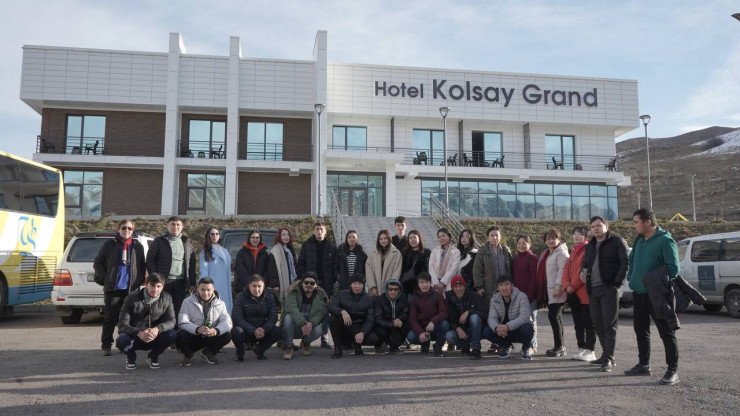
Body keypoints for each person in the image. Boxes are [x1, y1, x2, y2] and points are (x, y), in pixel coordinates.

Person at [625, 209, 681, 385]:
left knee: (666, 332)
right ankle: (643, 365)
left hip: (657, 294)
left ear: (648, 221)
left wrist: (651, 279)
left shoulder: (665, 240)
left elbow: (673, 269)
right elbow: (632, 259)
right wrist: (631, 276)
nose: (634, 226)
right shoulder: (640, 240)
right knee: (641, 331)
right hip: (639, 294)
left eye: (636, 222)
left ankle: (672, 370)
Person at [581, 216, 629, 372]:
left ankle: (609, 358)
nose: (596, 228)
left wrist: (617, 283)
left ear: (606, 227)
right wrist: (583, 272)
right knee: (598, 324)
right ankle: (605, 354)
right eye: (593, 226)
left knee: (609, 325)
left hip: (609, 288)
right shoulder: (590, 245)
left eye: (599, 225)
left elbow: (625, 262)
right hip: (593, 289)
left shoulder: (616, 241)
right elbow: (585, 264)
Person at [93, 219, 146, 357]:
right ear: (118, 229)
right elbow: (98, 262)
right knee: (110, 318)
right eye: (123, 228)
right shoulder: (110, 245)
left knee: (129, 319)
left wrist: (139, 280)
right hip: (113, 289)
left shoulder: (137, 246)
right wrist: (105, 278)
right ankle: (106, 345)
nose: (126, 230)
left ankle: (125, 344)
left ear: (133, 231)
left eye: (129, 228)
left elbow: (142, 265)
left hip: (131, 290)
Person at [116, 273, 177, 370]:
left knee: (172, 334)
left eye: (158, 286)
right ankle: (131, 357)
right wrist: (138, 333)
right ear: (146, 284)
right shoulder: (131, 298)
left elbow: (171, 321)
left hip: (154, 336)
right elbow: (122, 324)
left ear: (163, 287)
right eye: (152, 285)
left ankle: (153, 356)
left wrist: (157, 329)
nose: (155, 289)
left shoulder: (167, 298)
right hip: (135, 337)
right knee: (121, 340)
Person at [145, 216, 196, 318]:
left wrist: (192, 283)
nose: (175, 227)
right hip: (164, 281)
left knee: (178, 309)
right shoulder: (159, 241)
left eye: (178, 224)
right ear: (167, 226)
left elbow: (192, 263)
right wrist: (155, 277)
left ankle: (175, 328)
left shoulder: (186, 242)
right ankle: (160, 327)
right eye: (172, 224)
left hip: (181, 282)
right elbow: (150, 259)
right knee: (161, 309)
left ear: (182, 227)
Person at [297, 222, 338, 348]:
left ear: (325, 231)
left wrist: (333, 279)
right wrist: (305, 279)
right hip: (310, 284)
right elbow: (301, 263)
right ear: (313, 231)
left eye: (321, 229)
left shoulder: (331, 246)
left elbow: (335, 266)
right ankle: (306, 338)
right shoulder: (307, 245)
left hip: (325, 283)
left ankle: (324, 339)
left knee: (325, 311)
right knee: (308, 310)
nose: (319, 231)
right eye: (317, 229)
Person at [177, 277, 233, 366]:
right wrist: (197, 329)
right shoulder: (187, 302)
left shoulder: (221, 304)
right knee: (181, 334)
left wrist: (216, 330)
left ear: (213, 289)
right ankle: (188, 355)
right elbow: (182, 322)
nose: (205, 293)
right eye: (202, 290)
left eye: (208, 290)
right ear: (198, 288)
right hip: (194, 335)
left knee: (227, 335)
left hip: (210, 335)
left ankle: (208, 352)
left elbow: (227, 323)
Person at [562, 226, 596, 362]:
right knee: (578, 324)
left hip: (584, 294)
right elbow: (566, 270)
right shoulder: (574, 250)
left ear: (586, 237)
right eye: (575, 233)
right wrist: (566, 285)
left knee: (589, 324)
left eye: (580, 234)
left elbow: (583, 271)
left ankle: (590, 350)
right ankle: (581, 347)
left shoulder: (588, 249)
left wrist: (572, 286)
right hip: (574, 294)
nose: (576, 236)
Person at [231, 274, 282, 361]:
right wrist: (253, 330)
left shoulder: (269, 297)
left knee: (278, 331)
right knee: (236, 331)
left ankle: (259, 349)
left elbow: (273, 316)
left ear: (264, 286)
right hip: (246, 330)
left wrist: (264, 329)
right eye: (254, 286)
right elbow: (237, 318)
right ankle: (240, 352)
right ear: (249, 286)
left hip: (262, 330)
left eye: (259, 286)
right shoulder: (240, 297)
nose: (257, 289)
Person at [482, 276, 534, 360]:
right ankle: (506, 345)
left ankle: (526, 348)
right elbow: (492, 318)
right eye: (501, 285)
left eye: (507, 284)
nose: (504, 288)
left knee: (528, 327)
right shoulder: (494, 299)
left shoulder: (522, 296)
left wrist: (507, 326)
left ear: (512, 285)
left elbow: (524, 317)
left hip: (517, 330)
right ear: (498, 288)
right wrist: (497, 328)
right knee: (486, 331)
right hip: (503, 332)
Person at [328, 274, 378, 358]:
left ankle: (356, 344)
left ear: (363, 285)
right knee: (333, 318)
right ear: (351, 284)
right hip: (346, 325)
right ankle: (338, 348)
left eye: (359, 284)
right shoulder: (342, 294)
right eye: (354, 283)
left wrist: (363, 332)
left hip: (359, 326)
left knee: (373, 338)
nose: (357, 286)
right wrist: (342, 311)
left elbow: (370, 319)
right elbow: (331, 307)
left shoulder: (369, 299)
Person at [281, 272, 329, 360]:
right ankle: (289, 347)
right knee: (288, 318)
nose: (309, 285)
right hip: (294, 327)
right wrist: (303, 323)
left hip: (309, 327)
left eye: (312, 283)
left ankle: (305, 343)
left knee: (320, 329)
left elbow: (321, 313)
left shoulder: (321, 295)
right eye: (306, 282)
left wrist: (311, 323)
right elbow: (291, 308)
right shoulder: (293, 292)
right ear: (302, 283)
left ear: (316, 285)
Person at [511, 234, 543, 354]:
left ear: (529, 244)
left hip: (529, 297)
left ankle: (532, 346)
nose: (521, 246)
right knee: (519, 321)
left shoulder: (532, 258)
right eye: (519, 243)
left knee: (531, 321)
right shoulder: (515, 258)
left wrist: (529, 296)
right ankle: (524, 345)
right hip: (516, 296)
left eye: (524, 243)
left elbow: (534, 279)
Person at [540, 228, 569, 358]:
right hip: (551, 289)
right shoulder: (550, 253)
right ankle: (560, 346)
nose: (551, 241)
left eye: (553, 238)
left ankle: (559, 346)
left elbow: (563, 271)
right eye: (548, 239)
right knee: (557, 317)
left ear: (559, 239)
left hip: (557, 290)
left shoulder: (561, 252)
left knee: (554, 317)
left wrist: (558, 286)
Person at [444, 275, 488, 360]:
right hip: (460, 330)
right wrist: (458, 328)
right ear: (452, 288)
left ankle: (476, 349)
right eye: (456, 287)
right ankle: (465, 346)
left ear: (464, 286)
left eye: (461, 286)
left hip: (474, 329)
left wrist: (469, 312)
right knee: (449, 335)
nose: (459, 289)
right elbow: (449, 319)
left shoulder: (474, 296)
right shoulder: (449, 299)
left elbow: (486, 314)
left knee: (474, 317)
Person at [407, 272, 449, 356]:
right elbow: (412, 319)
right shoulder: (414, 298)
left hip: (435, 327)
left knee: (445, 324)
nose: (424, 285)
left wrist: (433, 321)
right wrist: (420, 332)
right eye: (421, 282)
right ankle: (425, 343)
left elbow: (444, 313)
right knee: (411, 336)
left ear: (430, 283)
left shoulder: (438, 296)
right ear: (418, 284)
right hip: (422, 327)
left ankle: (438, 346)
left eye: (426, 282)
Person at [473, 226, 514, 304]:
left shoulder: (506, 250)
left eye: (496, 235)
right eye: (492, 235)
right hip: (490, 288)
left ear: (500, 236)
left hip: (505, 287)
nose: (494, 238)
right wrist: (479, 287)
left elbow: (511, 268)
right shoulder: (482, 251)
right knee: (492, 308)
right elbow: (477, 270)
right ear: (488, 237)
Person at [199, 227, 233, 314]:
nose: (215, 236)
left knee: (225, 308)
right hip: (213, 283)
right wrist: (204, 285)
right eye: (212, 234)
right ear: (208, 236)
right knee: (214, 308)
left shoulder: (224, 251)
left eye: (217, 234)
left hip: (225, 284)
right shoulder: (205, 251)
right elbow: (203, 270)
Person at [371, 279, 409, 354]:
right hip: (384, 325)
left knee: (408, 325)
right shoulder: (380, 300)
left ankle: (394, 347)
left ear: (400, 290)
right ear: (386, 289)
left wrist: (400, 319)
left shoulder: (403, 299)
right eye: (390, 289)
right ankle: (378, 346)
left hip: (397, 324)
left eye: (396, 289)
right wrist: (392, 323)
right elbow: (378, 319)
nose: (393, 292)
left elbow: (405, 313)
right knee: (381, 332)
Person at [366, 229, 402, 297]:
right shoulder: (373, 254)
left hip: (390, 290)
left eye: (385, 238)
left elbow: (397, 271)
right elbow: (369, 271)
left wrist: (391, 287)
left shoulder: (396, 253)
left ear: (389, 239)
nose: (383, 241)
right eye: (381, 239)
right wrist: (372, 287)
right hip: (376, 290)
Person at [266, 227, 298, 301]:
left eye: (288, 235)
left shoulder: (291, 249)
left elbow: (296, 265)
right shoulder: (275, 250)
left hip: (293, 282)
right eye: (283, 235)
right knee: (285, 303)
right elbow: (272, 268)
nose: (286, 237)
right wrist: (275, 284)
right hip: (281, 284)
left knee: (292, 303)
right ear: (279, 237)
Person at [234, 230, 269, 294]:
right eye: (253, 237)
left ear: (260, 239)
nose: (255, 240)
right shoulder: (241, 253)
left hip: (260, 288)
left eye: (257, 238)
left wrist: (261, 282)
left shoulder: (265, 253)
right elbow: (240, 269)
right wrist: (251, 283)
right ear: (249, 239)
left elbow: (267, 270)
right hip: (244, 287)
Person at [429, 228, 461, 292]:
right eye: (439, 237)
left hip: (448, 283)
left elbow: (454, 269)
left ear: (449, 237)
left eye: (443, 236)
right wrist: (436, 282)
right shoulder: (434, 251)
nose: (441, 238)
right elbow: (431, 267)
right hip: (435, 284)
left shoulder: (456, 251)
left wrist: (443, 282)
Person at [400, 230, 430, 295]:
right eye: (410, 238)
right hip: (406, 284)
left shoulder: (426, 252)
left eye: (414, 237)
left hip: (421, 284)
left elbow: (427, 268)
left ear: (419, 238)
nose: (412, 240)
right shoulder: (405, 252)